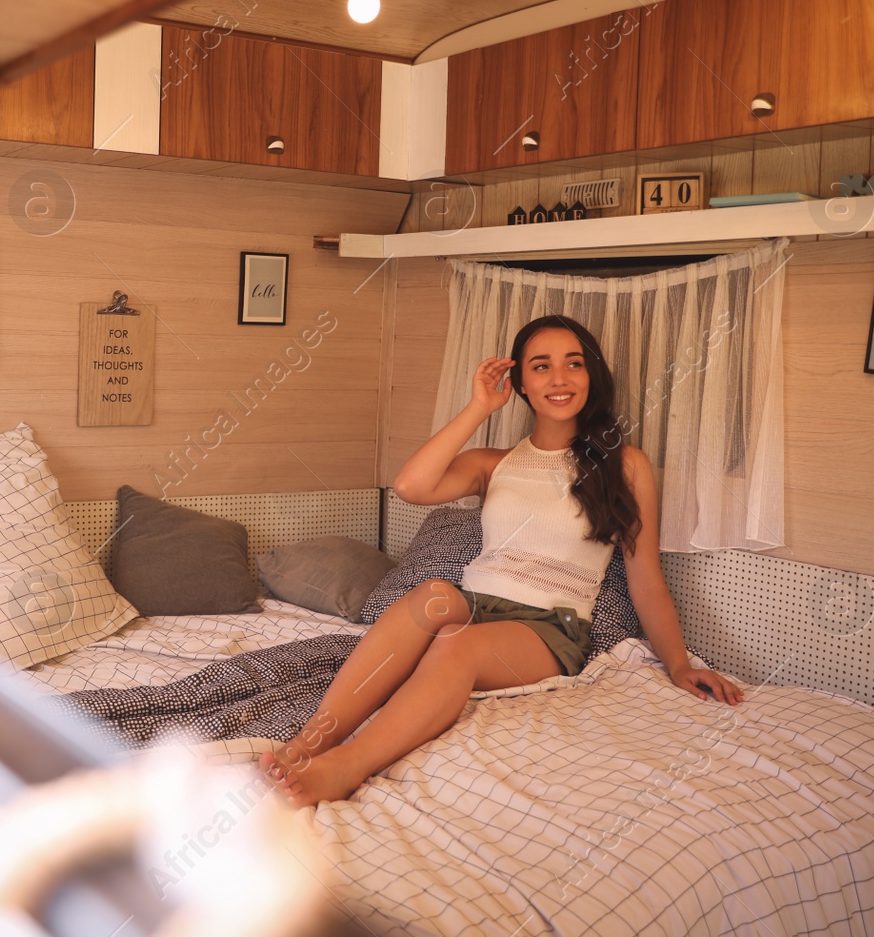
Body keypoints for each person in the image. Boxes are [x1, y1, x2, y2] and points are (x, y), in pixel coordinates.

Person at [259, 314, 743, 808]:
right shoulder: (496, 463)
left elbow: (646, 580)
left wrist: (679, 664)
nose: (559, 378)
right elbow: (410, 487)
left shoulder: (626, 465)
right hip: (475, 602)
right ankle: (308, 745)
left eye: (573, 364)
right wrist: (479, 406)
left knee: (456, 645)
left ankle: (345, 768)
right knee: (431, 596)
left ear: (591, 375)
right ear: (521, 384)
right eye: (541, 366)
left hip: (550, 628)